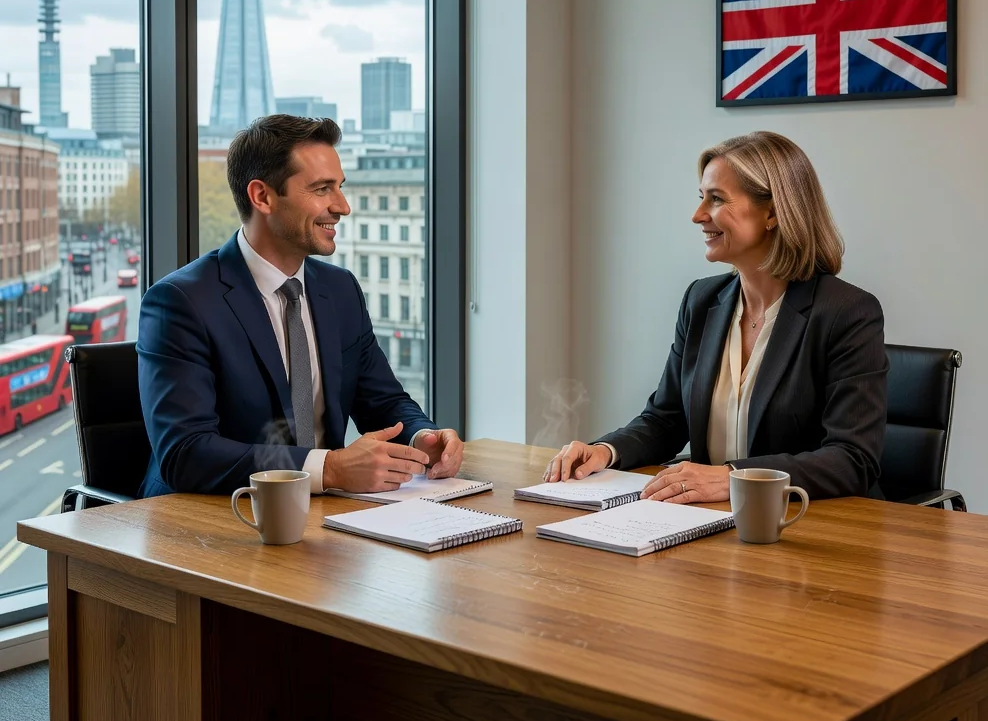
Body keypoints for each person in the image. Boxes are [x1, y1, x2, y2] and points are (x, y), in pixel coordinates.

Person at [543, 131, 887, 502]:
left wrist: (733, 478)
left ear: (773, 212)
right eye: (701, 198)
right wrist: (606, 451)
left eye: (717, 199)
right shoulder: (701, 300)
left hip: (808, 522)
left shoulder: (847, 313)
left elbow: (852, 460)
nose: (698, 216)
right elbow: (666, 420)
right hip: (711, 518)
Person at [137, 115, 463, 497]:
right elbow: (186, 453)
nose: (342, 206)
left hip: (325, 515)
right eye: (322, 189)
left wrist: (422, 438)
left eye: (340, 187)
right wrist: (330, 468)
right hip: (212, 517)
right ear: (262, 197)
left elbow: (383, 401)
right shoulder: (181, 302)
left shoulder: (340, 290)